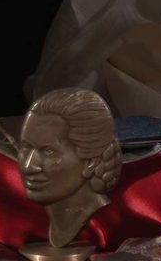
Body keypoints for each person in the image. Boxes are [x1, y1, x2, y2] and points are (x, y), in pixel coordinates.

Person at [18, 87, 123, 248]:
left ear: (91, 162)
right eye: (26, 147)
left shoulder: (111, 224)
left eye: (49, 151)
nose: (28, 166)